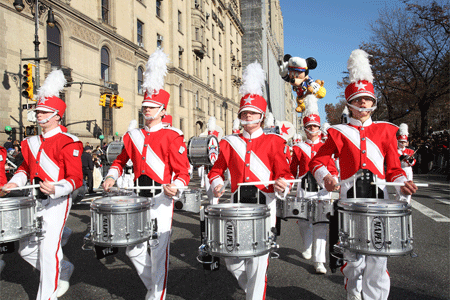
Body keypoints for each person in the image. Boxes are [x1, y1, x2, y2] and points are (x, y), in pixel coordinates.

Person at [309, 49, 418, 300]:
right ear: (349, 103)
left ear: (373, 102)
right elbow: (318, 160)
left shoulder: (387, 131)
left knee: (378, 259)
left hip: (379, 203)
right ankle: (353, 293)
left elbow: (393, 168)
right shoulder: (337, 132)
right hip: (349, 201)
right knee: (354, 260)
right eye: (357, 99)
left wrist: (402, 184)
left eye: (367, 99)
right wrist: (325, 175)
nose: (363, 104)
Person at [102, 48, 190, 300]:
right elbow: (120, 160)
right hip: (138, 198)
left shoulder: (173, 135)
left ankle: (157, 294)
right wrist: (111, 176)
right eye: (145, 106)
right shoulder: (132, 136)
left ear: (163, 109)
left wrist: (177, 185)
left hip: (161, 198)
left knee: (158, 247)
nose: (147, 110)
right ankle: (154, 285)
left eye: (152, 107)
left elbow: (183, 171)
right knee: (132, 249)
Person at [208, 61, 293, 300]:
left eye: (253, 113)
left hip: (265, 206)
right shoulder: (228, 142)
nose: (248, 116)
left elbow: (284, 173)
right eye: (244, 113)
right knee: (231, 258)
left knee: (258, 260)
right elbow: (216, 170)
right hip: (236, 206)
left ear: (262, 116)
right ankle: (250, 288)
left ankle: (255, 296)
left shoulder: (275, 142)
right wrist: (217, 183)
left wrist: (282, 184)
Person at [2, 69, 83, 300]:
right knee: (25, 248)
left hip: (58, 201)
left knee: (49, 250)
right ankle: (63, 269)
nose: (39, 115)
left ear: (57, 115)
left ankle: (46, 295)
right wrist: (14, 183)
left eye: (44, 111)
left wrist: (58, 188)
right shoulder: (30, 142)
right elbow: (25, 169)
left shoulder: (69, 142)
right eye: (38, 111)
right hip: (34, 200)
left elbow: (76, 177)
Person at [290, 94, 338, 274]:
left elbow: (332, 168)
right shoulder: (298, 147)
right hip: (304, 188)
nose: (312, 129)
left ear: (319, 127)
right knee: (303, 222)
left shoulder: (326, 147)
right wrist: (287, 184)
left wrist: (333, 179)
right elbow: (292, 169)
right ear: (305, 128)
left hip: (322, 190)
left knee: (321, 224)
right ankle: (307, 245)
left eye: (315, 126)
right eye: (309, 126)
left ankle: (320, 261)